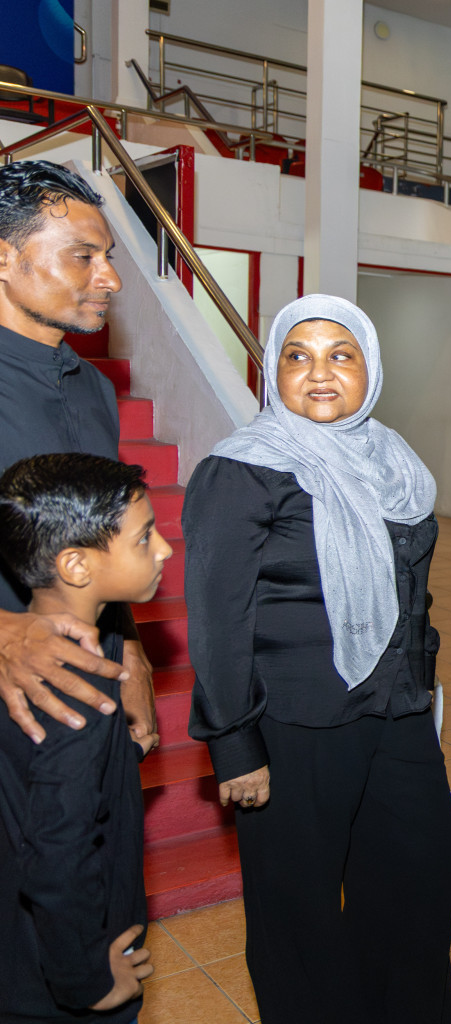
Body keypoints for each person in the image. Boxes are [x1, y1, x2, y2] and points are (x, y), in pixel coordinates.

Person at [183, 295, 451, 1024]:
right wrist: (234, 746)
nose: (320, 374)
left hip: (398, 706)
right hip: (294, 720)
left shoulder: (393, 461)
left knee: (418, 862)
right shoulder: (243, 470)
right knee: (298, 899)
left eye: (340, 356)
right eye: (298, 356)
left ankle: (409, 1007)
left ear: (370, 369)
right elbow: (217, 619)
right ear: (273, 371)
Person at [0, 454, 168, 1023]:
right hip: (64, 982)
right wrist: (87, 981)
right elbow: (57, 855)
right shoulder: (81, 689)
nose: (164, 549)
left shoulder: (24, 664)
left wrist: (118, 756)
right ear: (75, 565)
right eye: (145, 538)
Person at [0, 160, 151, 751]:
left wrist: (130, 649)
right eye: (83, 256)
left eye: (107, 256)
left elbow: (103, 538)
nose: (110, 278)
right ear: (5, 258)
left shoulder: (92, 387)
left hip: (91, 681)